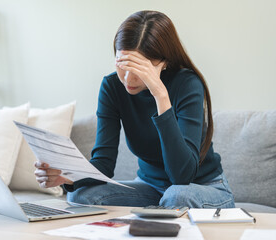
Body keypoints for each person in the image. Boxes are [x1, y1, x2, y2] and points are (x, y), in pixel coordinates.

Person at [34, 10, 235, 208]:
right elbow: (103, 163)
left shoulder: (187, 84)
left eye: (139, 68)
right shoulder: (112, 87)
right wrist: (67, 176)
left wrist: (160, 95)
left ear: (163, 63)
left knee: (176, 196)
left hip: (201, 188)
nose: (128, 79)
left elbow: (181, 176)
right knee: (81, 195)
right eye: (122, 64)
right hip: (150, 188)